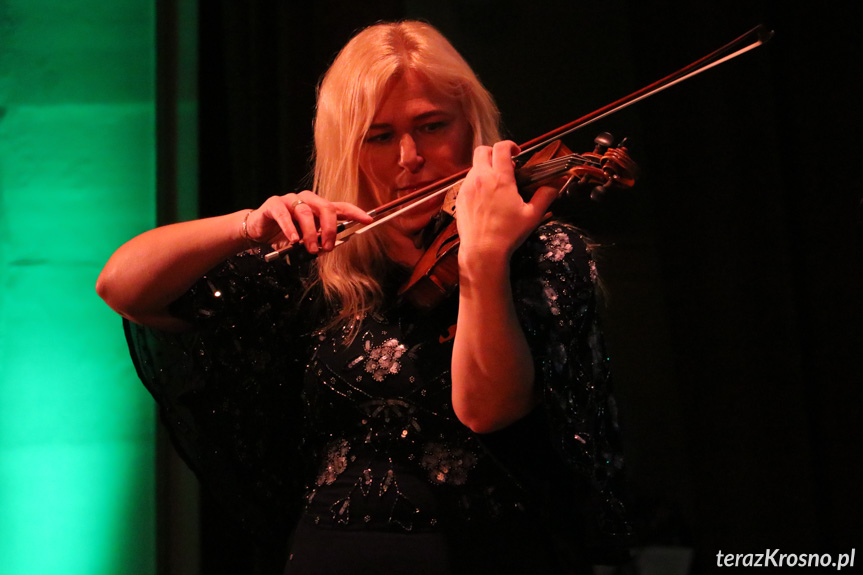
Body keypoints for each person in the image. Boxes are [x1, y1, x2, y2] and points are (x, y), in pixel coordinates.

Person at [97, 20, 631, 575]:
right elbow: (122, 285)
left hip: (487, 555)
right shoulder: (321, 264)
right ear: (348, 149)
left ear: (471, 127)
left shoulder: (542, 254)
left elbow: (486, 408)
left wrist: (483, 257)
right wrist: (248, 225)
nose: (408, 157)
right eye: (379, 137)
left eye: (431, 126)